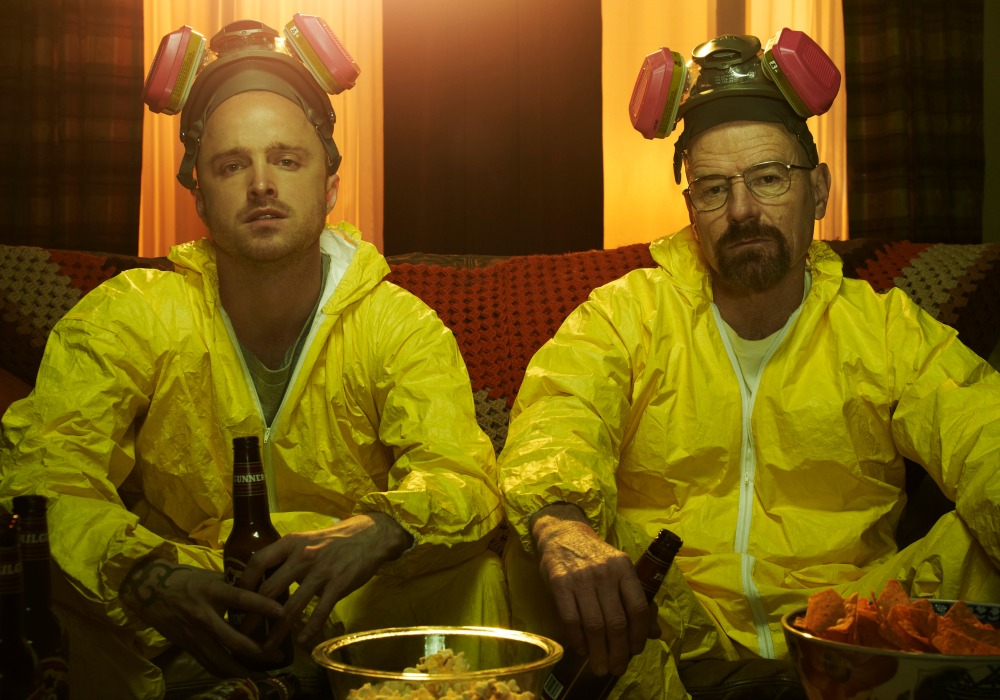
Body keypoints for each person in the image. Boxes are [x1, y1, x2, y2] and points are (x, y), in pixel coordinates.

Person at [0, 17, 506, 699]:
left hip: (351, 604)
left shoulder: (398, 324)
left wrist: (384, 528)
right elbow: (44, 471)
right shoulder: (129, 313)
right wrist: (145, 574)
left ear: (329, 185)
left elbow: (460, 474)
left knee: (482, 576)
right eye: (232, 165)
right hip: (184, 608)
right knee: (55, 584)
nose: (262, 184)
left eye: (287, 160)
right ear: (200, 195)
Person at [498, 30, 1000, 699]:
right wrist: (562, 523)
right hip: (666, 635)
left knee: (979, 545)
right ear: (691, 210)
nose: (742, 212)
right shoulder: (626, 313)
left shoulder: (884, 328)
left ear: (818, 190)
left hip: (849, 638)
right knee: (536, 548)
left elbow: (981, 428)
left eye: (768, 179)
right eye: (713, 189)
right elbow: (561, 414)